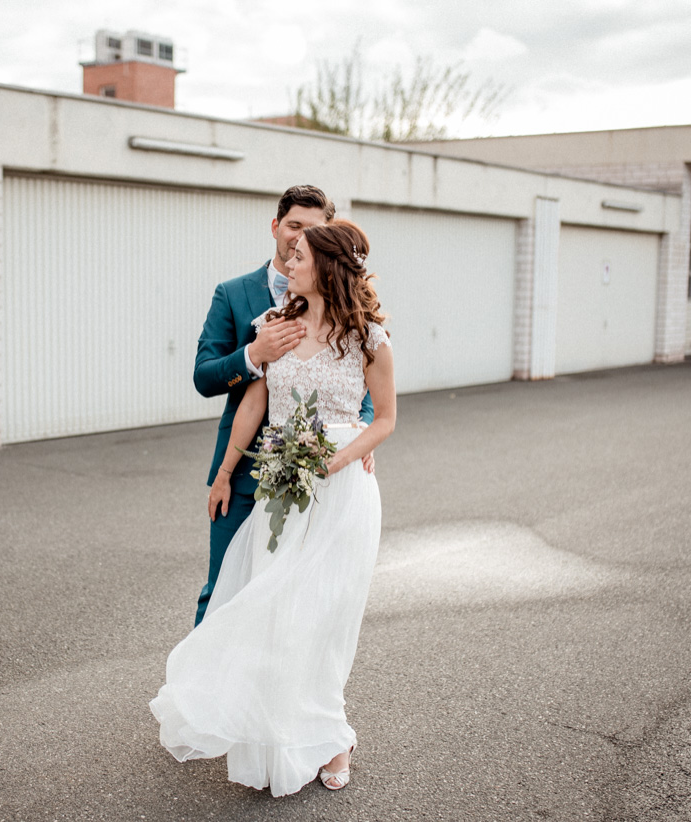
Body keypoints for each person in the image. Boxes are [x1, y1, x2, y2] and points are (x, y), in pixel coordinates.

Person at [151, 219, 396, 796]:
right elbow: (254, 402)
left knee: (324, 617)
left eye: (302, 253)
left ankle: (333, 736)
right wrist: (226, 470)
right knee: (276, 611)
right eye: (291, 248)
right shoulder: (273, 325)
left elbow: (384, 418)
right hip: (280, 485)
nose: (289, 258)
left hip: (340, 491)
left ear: (327, 266)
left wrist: (337, 459)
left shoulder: (368, 338)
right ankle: (278, 731)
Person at [191, 185, 373, 626]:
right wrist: (253, 355)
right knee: (224, 588)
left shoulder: (349, 311)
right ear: (276, 226)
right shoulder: (233, 294)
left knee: (299, 595)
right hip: (242, 472)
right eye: (293, 225)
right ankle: (203, 689)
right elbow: (204, 377)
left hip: (319, 476)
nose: (298, 238)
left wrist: (358, 435)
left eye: (313, 230)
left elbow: (362, 393)